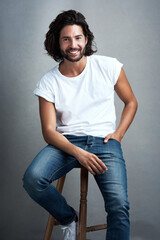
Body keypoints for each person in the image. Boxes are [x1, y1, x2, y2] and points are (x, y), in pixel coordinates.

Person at [23, 9, 138, 240]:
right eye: (66, 39)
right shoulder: (48, 82)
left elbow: (131, 102)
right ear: (58, 43)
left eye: (78, 38)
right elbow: (48, 132)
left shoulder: (108, 66)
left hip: (105, 142)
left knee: (118, 204)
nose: (72, 44)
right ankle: (68, 218)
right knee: (33, 179)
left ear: (86, 39)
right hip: (66, 143)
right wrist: (79, 153)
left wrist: (119, 134)